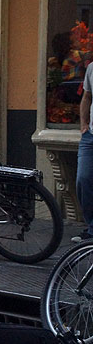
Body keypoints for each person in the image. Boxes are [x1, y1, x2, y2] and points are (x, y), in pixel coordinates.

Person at [75, 61, 93, 243]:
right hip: (90, 137)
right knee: (83, 179)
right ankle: (91, 227)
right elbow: (87, 96)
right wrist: (83, 124)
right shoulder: (91, 68)